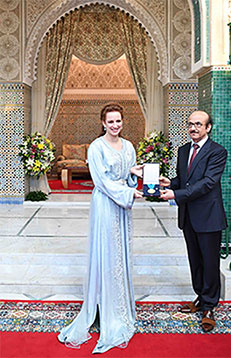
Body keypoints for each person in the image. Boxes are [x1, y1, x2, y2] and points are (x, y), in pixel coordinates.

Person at [58, 104, 143, 354]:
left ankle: (117, 304)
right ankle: (102, 306)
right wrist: (128, 191)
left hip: (122, 205)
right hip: (106, 202)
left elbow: (126, 176)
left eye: (119, 121)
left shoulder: (129, 146)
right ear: (103, 123)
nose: (115, 125)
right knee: (106, 249)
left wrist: (134, 173)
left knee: (120, 250)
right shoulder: (96, 147)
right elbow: (102, 181)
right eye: (111, 122)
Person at [160, 110, 227, 333]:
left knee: (210, 263)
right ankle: (200, 296)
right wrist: (169, 183)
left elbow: (208, 183)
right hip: (188, 216)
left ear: (208, 127)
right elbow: (185, 180)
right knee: (195, 260)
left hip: (209, 216)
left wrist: (176, 195)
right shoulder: (183, 150)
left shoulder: (217, 151)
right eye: (190, 124)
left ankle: (209, 306)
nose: (193, 128)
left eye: (199, 124)